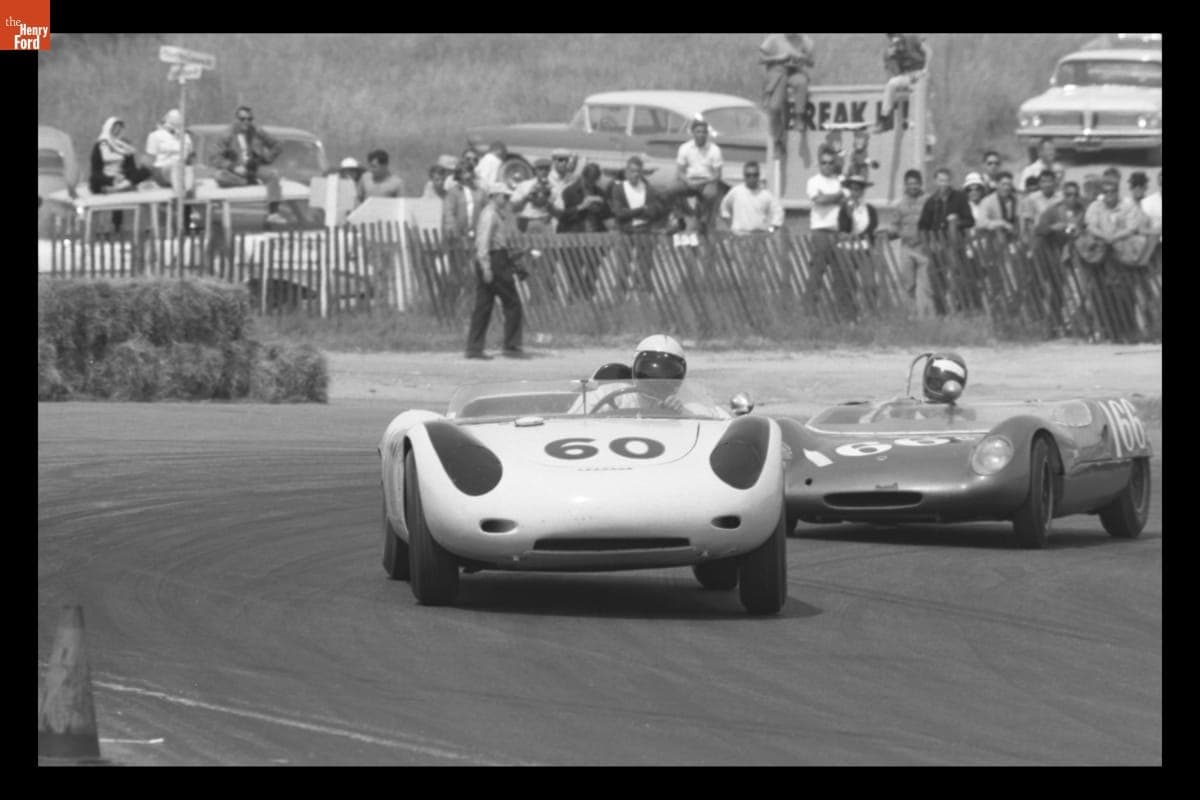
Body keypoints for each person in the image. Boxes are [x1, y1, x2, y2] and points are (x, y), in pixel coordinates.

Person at [571, 335, 713, 416]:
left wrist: (680, 414)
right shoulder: (606, 395)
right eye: (649, 372)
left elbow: (709, 427)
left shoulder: (689, 403)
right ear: (634, 367)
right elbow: (573, 422)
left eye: (667, 373)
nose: (658, 381)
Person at [465, 183, 526, 360]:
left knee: (484, 305)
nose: (506, 200)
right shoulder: (490, 214)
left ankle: (474, 348)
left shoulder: (496, 214)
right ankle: (511, 345)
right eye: (504, 197)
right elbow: (482, 242)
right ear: (494, 196)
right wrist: (486, 266)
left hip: (496, 258)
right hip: (493, 259)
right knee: (512, 302)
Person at [209, 105, 287, 226]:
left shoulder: (257, 131)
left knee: (273, 176)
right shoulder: (227, 134)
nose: (246, 122)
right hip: (235, 172)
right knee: (219, 176)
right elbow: (214, 157)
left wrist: (263, 159)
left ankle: (273, 214)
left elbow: (278, 145)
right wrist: (233, 166)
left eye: (249, 119)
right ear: (236, 119)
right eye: (242, 119)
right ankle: (249, 182)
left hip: (253, 168)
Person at [805, 148, 850, 316]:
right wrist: (837, 196)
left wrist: (832, 197)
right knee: (817, 272)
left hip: (838, 232)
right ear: (819, 164)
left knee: (841, 275)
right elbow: (819, 200)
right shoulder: (813, 182)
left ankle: (842, 314)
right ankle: (809, 312)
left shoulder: (840, 181)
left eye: (831, 163)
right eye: (824, 162)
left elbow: (845, 200)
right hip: (820, 232)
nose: (827, 166)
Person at [888, 169, 935, 318]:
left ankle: (928, 318)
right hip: (907, 248)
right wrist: (891, 232)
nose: (913, 187)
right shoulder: (900, 204)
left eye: (916, 183)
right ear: (905, 185)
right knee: (908, 284)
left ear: (921, 184)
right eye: (910, 184)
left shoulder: (929, 201)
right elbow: (895, 224)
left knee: (927, 285)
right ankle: (911, 317)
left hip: (924, 248)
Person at [759, 33, 814, 154]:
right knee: (775, 107)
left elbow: (811, 62)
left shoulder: (804, 40)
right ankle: (777, 139)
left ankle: (799, 117)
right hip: (777, 72)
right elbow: (761, 59)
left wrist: (802, 58)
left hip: (794, 71)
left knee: (801, 82)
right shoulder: (774, 39)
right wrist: (779, 58)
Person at [671, 118, 724, 232]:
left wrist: (703, 182)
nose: (701, 135)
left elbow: (718, 174)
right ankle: (680, 216)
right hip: (689, 179)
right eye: (698, 132)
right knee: (672, 189)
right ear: (693, 133)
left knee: (710, 194)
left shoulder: (714, 150)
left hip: (707, 180)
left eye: (704, 132)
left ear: (707, 134)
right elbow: (680, 171)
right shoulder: (684, 148)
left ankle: (704, 218)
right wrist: (687, 181)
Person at [89, 116, 152, 195]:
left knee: (146, 171)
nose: (117, 130)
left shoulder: (124, 145)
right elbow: (96, 170)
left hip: (122, 178)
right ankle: (122, 187)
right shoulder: (100, 144)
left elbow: (131, 168)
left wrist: (128, 176)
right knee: (94, 179)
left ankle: (119, 188)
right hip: (106, 178)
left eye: (119, 128)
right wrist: (111, 179)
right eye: (114, 128)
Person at [719, 161, 783, 235]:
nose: (751, 177)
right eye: (748, 175)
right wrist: (731, 226)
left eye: (755, 175)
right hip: (739, 235)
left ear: (759, 176)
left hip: (759, 235)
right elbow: (724, 208)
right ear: (744, 176)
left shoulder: (766, 195)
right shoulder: (736, 192)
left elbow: (778, 213)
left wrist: (770, 230)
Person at [880, 34, 930, 127]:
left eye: (900, 44)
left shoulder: (912, 39)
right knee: (891, 83)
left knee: (915, 89)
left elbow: (928, 51)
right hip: (907, 76)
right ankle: (885, 115)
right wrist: (891, 59)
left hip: (921, 73)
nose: (899, 47)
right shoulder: (892, 51)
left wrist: (925, 68)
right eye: (896, 44)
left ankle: (911, 119)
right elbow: (896, 73)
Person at [144, 108, 195, 191]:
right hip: (162, 170)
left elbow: (190, 157)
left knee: (188, 169)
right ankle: (180, 193)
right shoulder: (155, 135)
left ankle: (187, 192)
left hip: (182, 170)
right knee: (175, 167)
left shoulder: (186, 137)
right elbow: (150, 158)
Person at [919, 167, 975, 238]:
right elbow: (923, 225)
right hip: (937, 244)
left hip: (958, 242)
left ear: (950, 181)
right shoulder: (930, 201)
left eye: (946, 181)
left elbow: (970, 221)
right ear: (935, 181)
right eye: (941, 181)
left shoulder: (960, 198)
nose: (944, 184)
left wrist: (956, 222)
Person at [442, 163, 485, 245]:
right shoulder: (453, 192)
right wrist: (453, 231)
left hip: (478, 233)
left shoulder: (480, 191)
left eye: (469, 172)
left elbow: (486, 209)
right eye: (464, 173)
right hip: (459, 234)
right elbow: (449, 213)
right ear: (459, 175)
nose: (468, 175)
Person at [511, 157, 556, 234]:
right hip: (525, 221)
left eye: (546, 169)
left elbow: (557, 209)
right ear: (535, 170)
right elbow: (514, 208)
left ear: (549, 171)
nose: (544, 172)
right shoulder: (524, 185)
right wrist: (526, 198)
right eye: (540, 169)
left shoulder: (553, 187)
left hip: (543, 221)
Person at [1021, 169, 1063, 244]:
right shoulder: (1032, 198)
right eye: (1044, 182)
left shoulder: (1061, 197)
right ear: (1039, 184)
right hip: (1040, 237)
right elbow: (1030, 222)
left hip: (1059, 236)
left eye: (1050, 181)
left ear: (1054, 182)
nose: (1047, 184)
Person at [975, 170, 1020, 238]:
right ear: (997, 184)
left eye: (1009, 184)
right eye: (1003, 184)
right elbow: (981, 223)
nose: (1006, 188)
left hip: (1015, 237)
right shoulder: (987, 201)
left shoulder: (1016, 200)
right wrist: (1002, 223)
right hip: (995, 240)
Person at [836, 174, 877, 242]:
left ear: (862, 191)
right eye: (851, 189)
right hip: (849, 246)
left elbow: (872, 228)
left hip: (866, 244)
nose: (854, 192)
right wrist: (849, 215)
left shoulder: (870, 209)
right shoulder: (845, 208)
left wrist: (858, 237)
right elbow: (843, 229)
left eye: (857, 189)